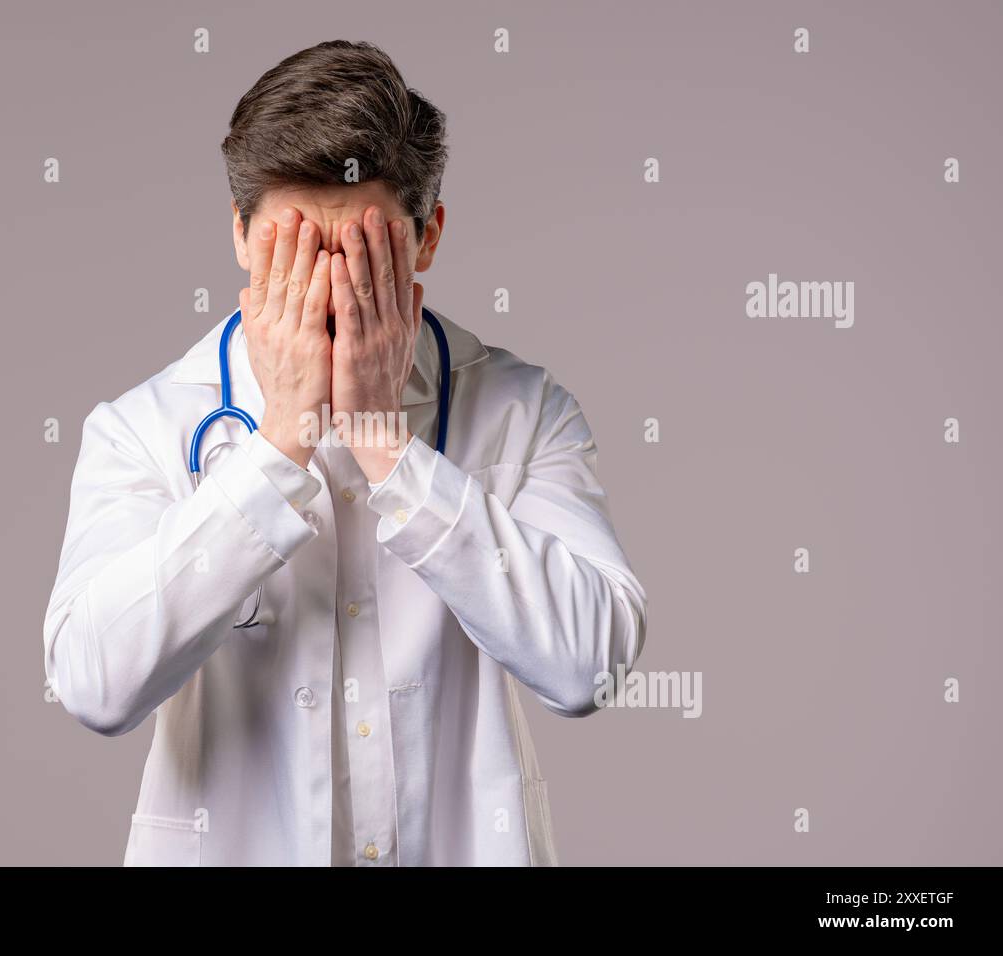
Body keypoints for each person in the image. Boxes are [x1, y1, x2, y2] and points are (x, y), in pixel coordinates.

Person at [42, 39, 647, 866]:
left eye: (361, 255)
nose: (327, 290)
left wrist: (389, 450)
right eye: (292, 254)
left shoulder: (524, 410)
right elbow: (96, 687)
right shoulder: (143, 427)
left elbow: (588, 670)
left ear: (427, 238)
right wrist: (277, 444)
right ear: (238, 235)